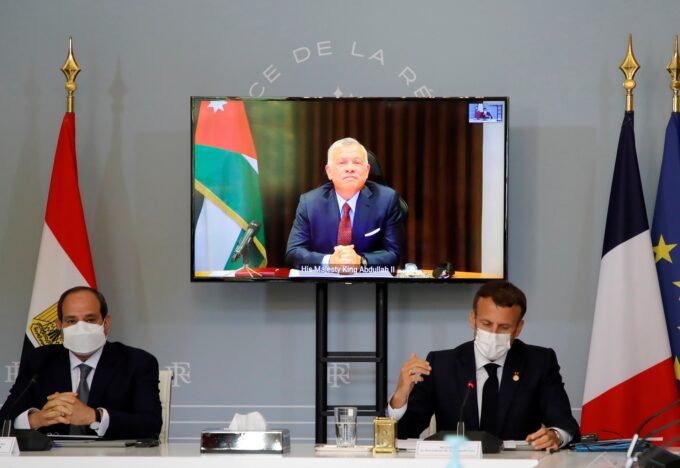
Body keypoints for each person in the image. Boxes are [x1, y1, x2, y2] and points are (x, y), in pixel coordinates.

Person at [387, 281, 580, 450]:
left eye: (504, 327)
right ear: (473, 319)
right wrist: (400, 396)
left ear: (518, 328)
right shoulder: (441, 365)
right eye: (486, 324)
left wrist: (555, 436)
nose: (494, 333)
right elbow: (404, 433)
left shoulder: (539, 362)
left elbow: (565, 424)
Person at [0, 286, 162, 439]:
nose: (81, 328)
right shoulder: (39, 361)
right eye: (71, 321)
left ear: (106, 323)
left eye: (90, 320)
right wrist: (37, 419)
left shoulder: (137, 362)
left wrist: (94, 416)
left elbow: (151, 425)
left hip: (113, 456)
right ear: (59, 326)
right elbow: (4, 419)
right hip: (52, 456)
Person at [285, 137, 403, 272]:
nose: (350, 168)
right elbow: (293, 253)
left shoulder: (386, 200)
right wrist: (329, 261)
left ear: (367, 171)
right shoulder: (309, 203)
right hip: (322, 282)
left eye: (357, 163)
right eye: (342, 163)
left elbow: (394, 254)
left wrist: (361, 262)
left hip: (369, 282)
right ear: (329, 171)